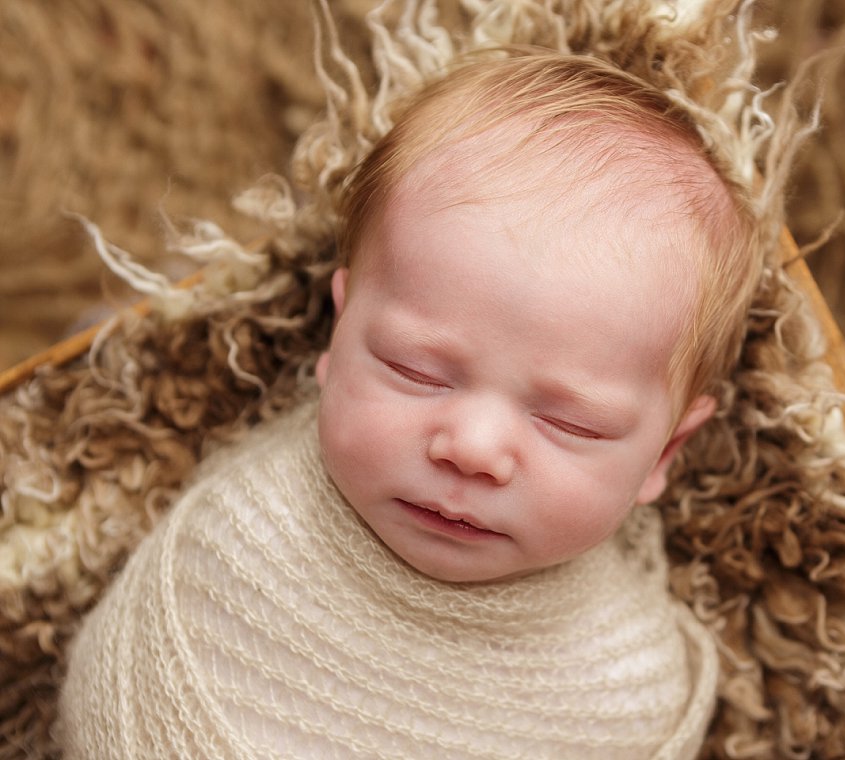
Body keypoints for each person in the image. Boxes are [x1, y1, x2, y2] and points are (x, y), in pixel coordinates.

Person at [57, 50, 769, 759]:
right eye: (415, 370)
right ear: (338, 337)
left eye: (567, 421)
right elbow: (118, 705)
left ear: (664, 453)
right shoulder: (236, 539)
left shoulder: (630, 684)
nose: (473, 447)